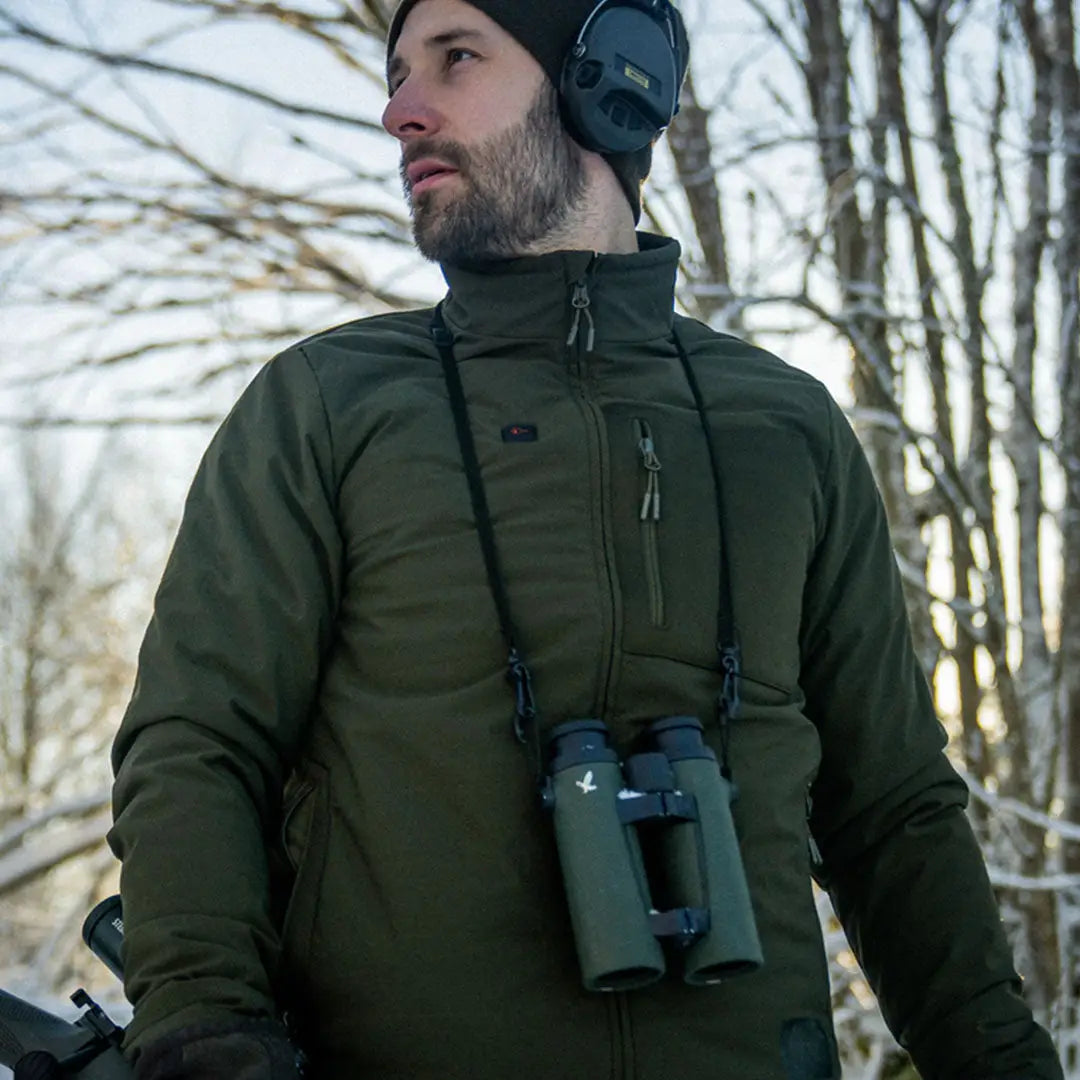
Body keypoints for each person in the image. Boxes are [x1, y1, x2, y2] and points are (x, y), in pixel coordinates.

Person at [107, 0, 1064, 1077]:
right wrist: (204, 1023)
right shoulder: (327, 407)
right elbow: (197, 744)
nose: (400, 111)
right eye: (397, 73)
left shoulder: (785, 427)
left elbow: (892, 809)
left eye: (455, 59)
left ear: (614, 82)